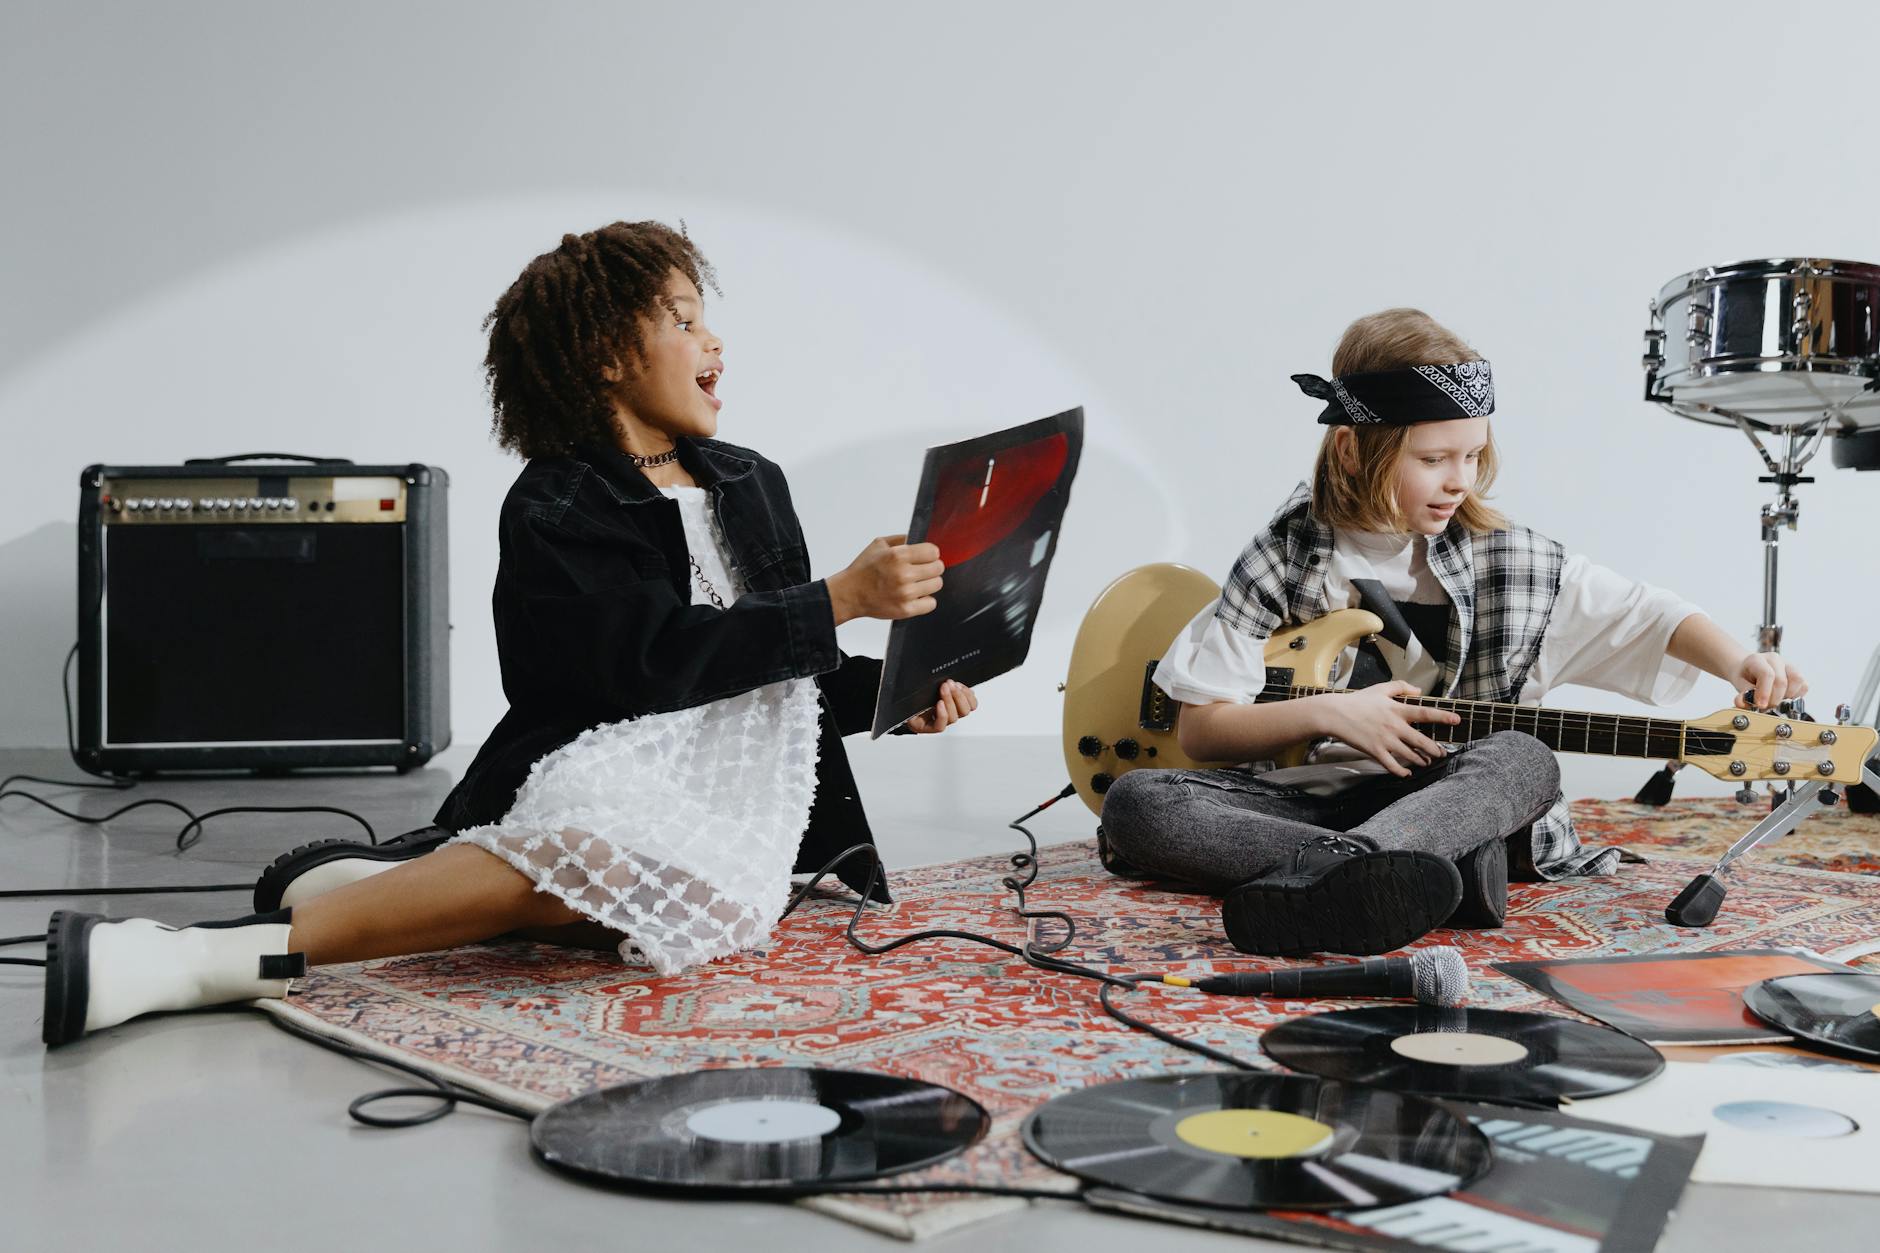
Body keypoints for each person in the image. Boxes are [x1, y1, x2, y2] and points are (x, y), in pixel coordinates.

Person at [41, 221, 977, 1047]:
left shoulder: (751, 480)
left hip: (730, 802)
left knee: (675, 918)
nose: (713, 339)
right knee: (596, 870)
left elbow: (770, 679)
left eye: (706, 319)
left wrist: (888, 698)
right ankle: (202, 959)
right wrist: (836, 597)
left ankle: (405, 882)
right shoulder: (556, 504)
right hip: (612, 766)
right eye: (683, 320)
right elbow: (652, 662)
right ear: (606, 356)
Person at [1098, 308, 1805, 958]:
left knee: (1523, 758)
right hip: (1296, 801)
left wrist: (1740, 661)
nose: (1459, 480)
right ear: (1351, 449)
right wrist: (1330, 712)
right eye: (1433, 459)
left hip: (1439, 800)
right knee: (1139, 803)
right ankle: (1424, 877)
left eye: (1472, 456)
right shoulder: (1283, 554)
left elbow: (1648, 614)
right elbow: (1202, 730)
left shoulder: (1509, 558)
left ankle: (1357, 872)